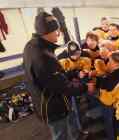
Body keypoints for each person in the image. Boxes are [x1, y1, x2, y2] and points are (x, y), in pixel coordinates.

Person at [23, 12, 92, 140]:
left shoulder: (32, 46)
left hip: (48, 99)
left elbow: (55, 75)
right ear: (46, 32)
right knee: (60, 135)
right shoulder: (43, 56)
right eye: (56, 30)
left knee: (68, 123)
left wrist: (74, 73)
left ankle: (77, 136)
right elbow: (62, 86)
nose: (59, 33)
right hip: (52, 105)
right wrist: (85, 87)